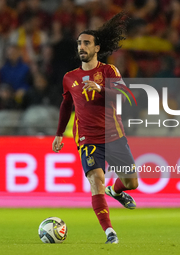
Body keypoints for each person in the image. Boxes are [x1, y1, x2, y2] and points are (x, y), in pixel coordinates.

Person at [52, 12, 138, 244]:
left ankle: (116, 191)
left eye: (86, 43)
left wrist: (101, 90)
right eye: (79, 43)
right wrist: (60, 133)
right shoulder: (70, 77)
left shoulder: (109, 72)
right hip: (88, 138)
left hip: (114, 135)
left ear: (97, 47)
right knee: (96, 179)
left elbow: (127, 98)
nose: (81, 47)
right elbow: (66, 105)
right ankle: (110, 232)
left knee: (132, 182)